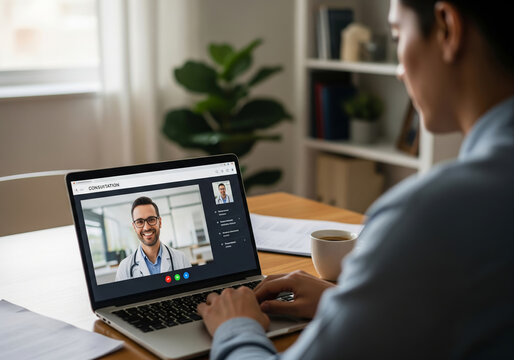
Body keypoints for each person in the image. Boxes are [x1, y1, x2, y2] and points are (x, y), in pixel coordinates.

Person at [196, 1, 514, 358]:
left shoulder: (431, 213)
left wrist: (235, 326)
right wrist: (347, 304)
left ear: (447, 29)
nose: (398, 71)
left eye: (397, 36)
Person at [115, 196, 191, 281]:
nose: (146, 227)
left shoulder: (181, 259)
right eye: (140, 222)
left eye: (151, 219)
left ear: (160, 222)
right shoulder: (124, 268)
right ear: (134, 227)